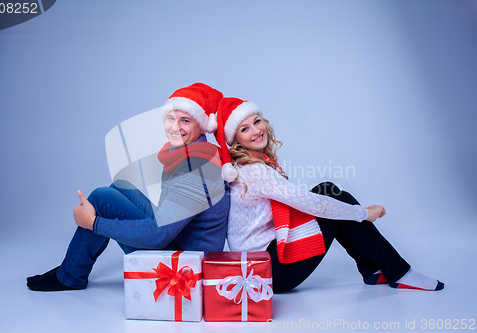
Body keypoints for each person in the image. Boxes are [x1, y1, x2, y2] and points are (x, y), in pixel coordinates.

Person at [214, 97, 444, 293]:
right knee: (336, 202)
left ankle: (372, 270)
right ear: (235, 141)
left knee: (327, 190)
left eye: (257, 121)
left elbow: (308, 201)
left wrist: (354, 213)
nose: (256, 131)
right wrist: (363, 213)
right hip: (267, 272)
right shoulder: (255, 171)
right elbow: (313, 205)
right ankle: (400, 272)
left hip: (265, 260)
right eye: (245, 129)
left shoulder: (250, 165)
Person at [27, 83, 230, 291]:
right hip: (181, 242)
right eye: (171, 119)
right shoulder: (195, 153)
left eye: (185, 121)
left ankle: (69, 275)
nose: (175, 127)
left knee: (101, 199)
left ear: (202, 126)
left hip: (188, 266)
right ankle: (71, 268)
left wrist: (94, 223)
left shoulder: (196, 169)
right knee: (119, 186)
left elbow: (159, 235)